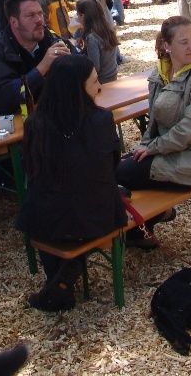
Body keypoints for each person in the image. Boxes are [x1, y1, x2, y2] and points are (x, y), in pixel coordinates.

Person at [17, 56, 125, 311]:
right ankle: (65, 277)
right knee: (84, 202)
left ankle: (58, 281)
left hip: (48, 218)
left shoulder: (35, 123)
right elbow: (112, 164)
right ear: (78, 88)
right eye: (95, 82)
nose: (100, 87)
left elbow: (30, 170)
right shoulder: (101, 120)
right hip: (98, 214)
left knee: (41, 205)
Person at [116, 16, 191, 246]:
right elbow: (153, 124)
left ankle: (140, 226)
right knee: (118, 166)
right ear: (167, 46)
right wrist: (144, 146)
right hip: (173, 150)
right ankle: (144, 225)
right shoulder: (160, 74)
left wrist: (153, 148)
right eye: (184, 42)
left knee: (117, 174)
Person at [0, 0, 70, 118]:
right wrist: (41, 69)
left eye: (40, 13)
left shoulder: (49, 38)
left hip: (45, 117)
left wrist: (71, 63)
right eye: (31, 15)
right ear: (14, 22)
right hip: (5, 122)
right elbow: (5, 98)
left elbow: (83, 70)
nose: (39, 20)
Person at [75, 0, 119, 83]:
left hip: (101, 81)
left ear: (83, 16)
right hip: (112, 76)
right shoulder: (108, 29)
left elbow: (95, 67)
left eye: (78, 15)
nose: (77, 18)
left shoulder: (92, 38)